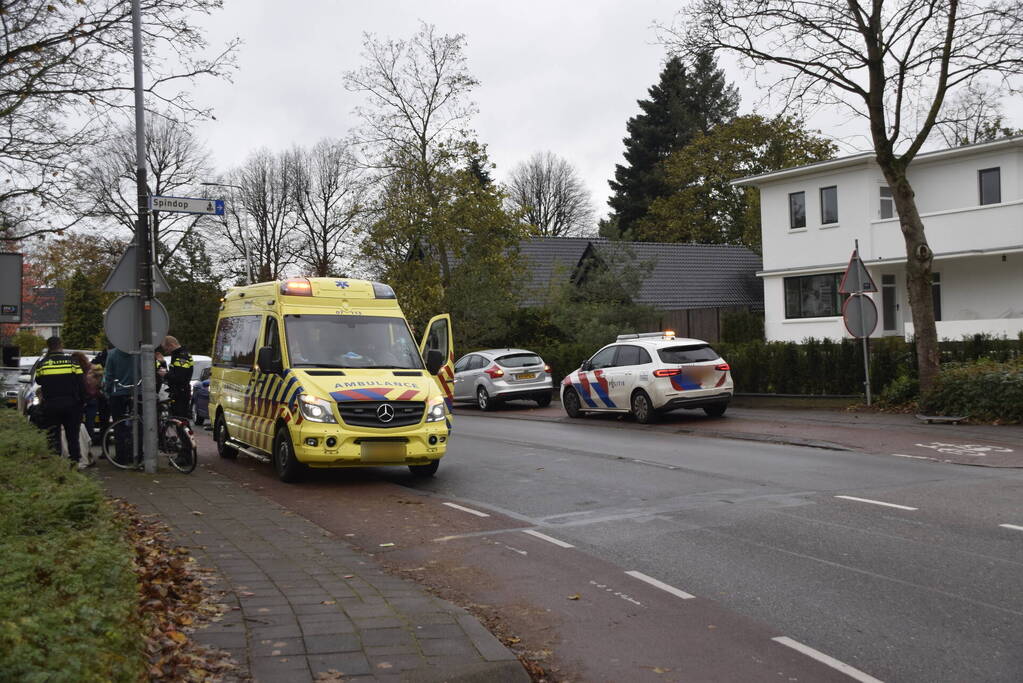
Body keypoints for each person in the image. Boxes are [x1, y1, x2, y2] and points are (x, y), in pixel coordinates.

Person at [35, 337, 85, 468]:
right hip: (71, 404)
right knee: (72, 436)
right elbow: (81, 382)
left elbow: (38, 381)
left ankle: (56, 465)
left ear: (48, 347)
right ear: (61, 345)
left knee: (53, 436)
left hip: (51, 405)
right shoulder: (72, 362)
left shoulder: (43, 364)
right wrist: (82, 402)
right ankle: (74, 463)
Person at [103, 346, 138, 465]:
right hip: (137, 393)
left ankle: (121, 456)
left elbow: (109, 375)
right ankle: (137, 454)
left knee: (119, 426)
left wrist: (107, 392)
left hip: (117, 393)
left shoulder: (112, 354)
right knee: (138, 425)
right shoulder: (140, 353)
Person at [161, 335, 193, 420]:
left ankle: (185, 433)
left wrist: (165, 374)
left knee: (180, 421)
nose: (166, 352)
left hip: (180, 393)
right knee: (180, 421)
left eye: (166, 349)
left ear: (171, 345)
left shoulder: (181, 356)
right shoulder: (180, 354)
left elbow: (180, 377)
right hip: (180, 392)